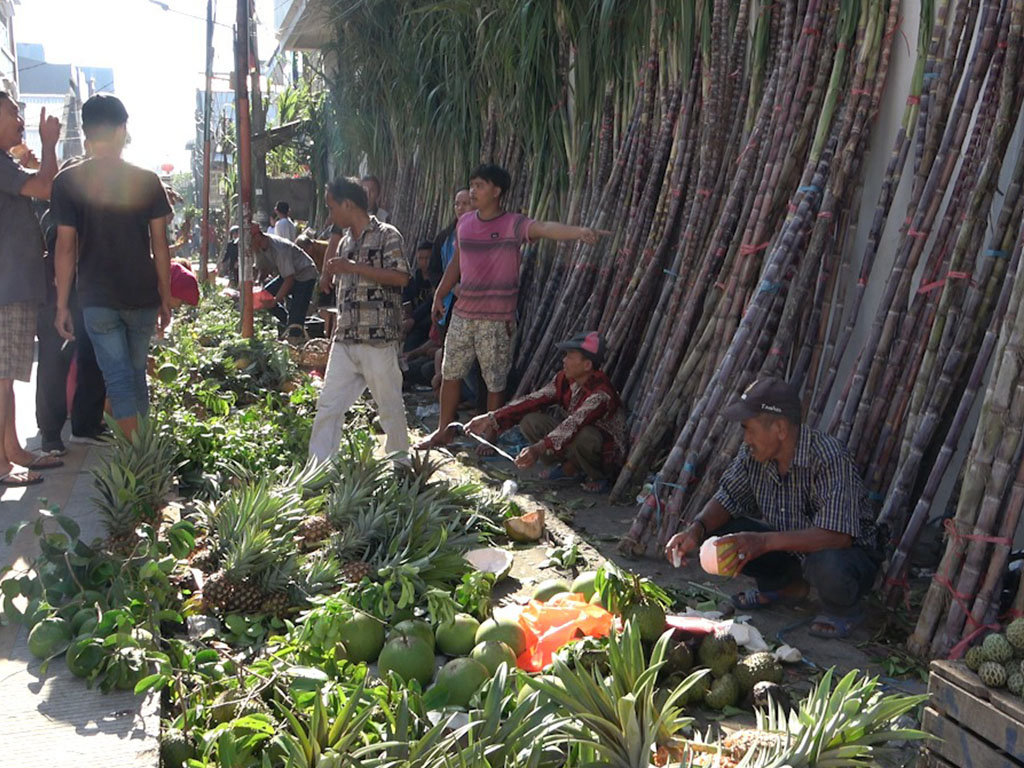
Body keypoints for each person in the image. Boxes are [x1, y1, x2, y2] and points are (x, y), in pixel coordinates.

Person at [664, 377, 884, 640]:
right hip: (789, 549)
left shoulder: (828, 457)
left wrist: (763, 541)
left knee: (826, 561)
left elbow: (837, 536)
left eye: (749, 429)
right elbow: (728, 496)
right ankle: (784, 587)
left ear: (780, 428)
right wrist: (695, 530)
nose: (745, 439)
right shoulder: (754, 456)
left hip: (846, 556)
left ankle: (844, 610)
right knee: (723, 532)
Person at [417, 163, 609, 451]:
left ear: (497, 191)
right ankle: (443, 430)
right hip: (463, 313)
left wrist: (579, 232)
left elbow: (544, 228)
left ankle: (488, 433)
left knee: (494, 379)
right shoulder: (465, 223)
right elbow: (457, 263)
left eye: (480, 185)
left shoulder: (513, 224)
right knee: (451, 372)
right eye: (472, 185)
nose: (473, 191)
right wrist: (439, 295)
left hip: (497, 318)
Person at [52, 94, 173, 439]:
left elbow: (65, 246)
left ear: (87, 133)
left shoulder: (67, 181)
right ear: (122, 130)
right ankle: (141, 451)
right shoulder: (147, 180)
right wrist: (164, 297)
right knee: (134, 374)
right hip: (142, 294)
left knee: (119, 377)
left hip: (97, 297)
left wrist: (62, 304)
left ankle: (137, 455)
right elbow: (160, 246)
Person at [308, 176, 410, 461]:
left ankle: (400, 464)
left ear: (348, 204)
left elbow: (401, 277)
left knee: (389, 408)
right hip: (346, 338)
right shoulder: (345, 243)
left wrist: (353, 267)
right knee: (328, 407)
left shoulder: (388, 234)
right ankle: (318, 468)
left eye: (331, 207)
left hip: (377, 340)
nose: (330, 215)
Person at [465, 331, 625, 492]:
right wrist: (492, 418)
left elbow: (573, 423)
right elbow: (534, 399)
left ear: (587, 365)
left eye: (570, 356)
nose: (564, 360)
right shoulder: (565, 380)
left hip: (604, 452)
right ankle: (570, 467)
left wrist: (537, 449)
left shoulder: (601, 393)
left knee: (586, 436)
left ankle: (599, 477)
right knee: (531, 421)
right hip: (574, 438)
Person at [0, 95, 63, 486]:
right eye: (11, 111)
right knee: (2, 378)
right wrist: (51, 143)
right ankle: (3, 464)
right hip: (7, 287)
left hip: (13, 285)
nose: (19, 119)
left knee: (5, 377)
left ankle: (13, 451)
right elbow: (47, 187)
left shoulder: (7, 164)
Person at [36, 202, 108, 455]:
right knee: (54, 365)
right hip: (58, 297)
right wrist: (61, 304)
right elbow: (59, 252)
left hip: (88, 294)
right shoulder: (58, 214)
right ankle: (51, 435)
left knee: (93, 361)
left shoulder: (90, 211)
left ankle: (85, 426)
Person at [250, 223, 318, 337]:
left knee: (296, 315)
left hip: (305, 275)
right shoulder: (258, 248)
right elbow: (263, 268)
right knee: (265, 295)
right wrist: (258, 282)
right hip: (288, 274)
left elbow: (289, 280)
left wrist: (276, 300)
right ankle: (287, 322)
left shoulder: (280, 249)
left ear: (257, 237)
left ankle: (295, 336)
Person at [429, 188, 472, 330]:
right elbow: (434, 271)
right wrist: (452, 287)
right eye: (457, 204)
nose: (460, 208)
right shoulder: (444, 238)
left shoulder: (483, 234)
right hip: (449, 302)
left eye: (465, 203)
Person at [401, 240, 435, 351]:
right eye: (421, 258)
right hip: (414, 324)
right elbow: (406, 299)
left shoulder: (438, 279)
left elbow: (431, 302)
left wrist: (413, 319)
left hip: (431, 322)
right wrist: (407, 317)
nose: (424, 262)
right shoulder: (413, 280)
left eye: (427, 258)